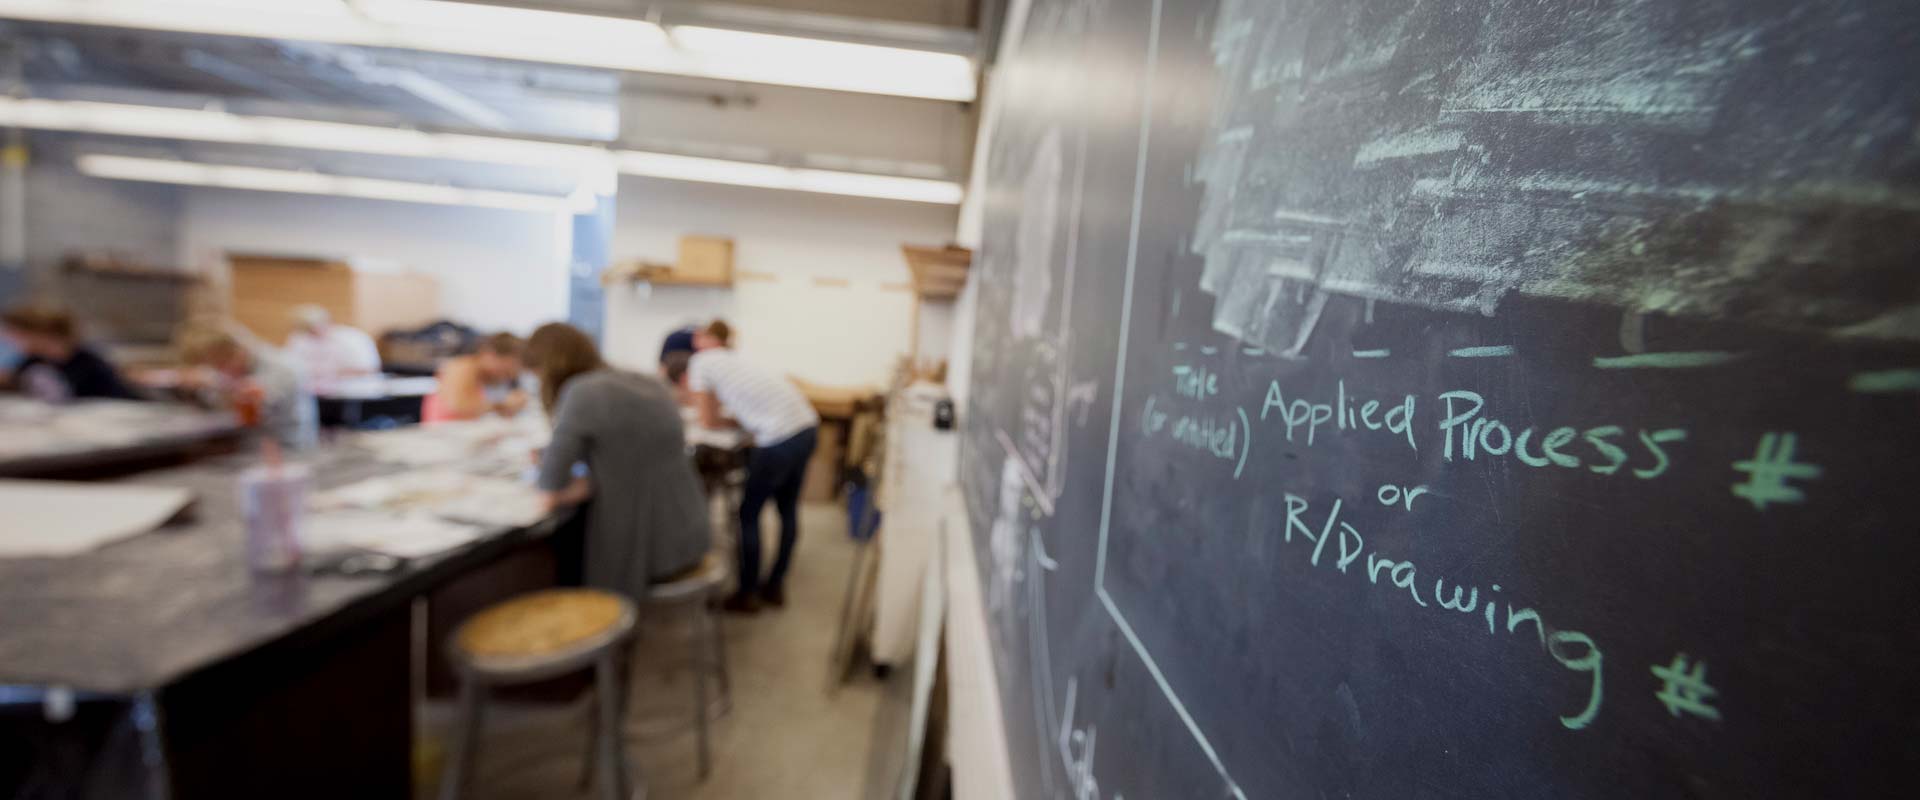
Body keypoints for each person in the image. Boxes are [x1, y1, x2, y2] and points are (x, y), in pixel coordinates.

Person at [526, 322, 710, 600]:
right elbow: (627, 459)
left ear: (547, 367)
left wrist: (566, 477)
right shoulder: (646, 381)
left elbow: (550, 485)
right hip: (690, 533)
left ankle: (583, 624)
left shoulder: (582, 392)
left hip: (649, 549)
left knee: (561, 549)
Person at [679, 320, 819, 612]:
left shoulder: (701, 362)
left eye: (700, 335)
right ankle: (774, 586)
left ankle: (747, 594)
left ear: (707, 340)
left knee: (748, 515)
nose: (696, 339)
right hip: (806, 426)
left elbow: (706, 420)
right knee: (787, 510)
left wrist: (727, 421)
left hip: (778, 437)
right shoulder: (735, 360)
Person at [175, 324, 318, 451]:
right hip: (252, 447)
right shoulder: (235, 370)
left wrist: (218, 386)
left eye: (222, 364)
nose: (221, 372)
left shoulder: (282, 368)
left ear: (238, 352)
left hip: (288, 449)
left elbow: (254, 409)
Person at [1, 306, 141, 401]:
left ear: (41, 334)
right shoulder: (34, 360)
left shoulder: (89, 364)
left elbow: (116, 400)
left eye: (17, 335)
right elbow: (11, 379)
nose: (11, 341)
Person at [424, 332, 527, 423]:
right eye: (505, 371)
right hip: (443, 431)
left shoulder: (487, 377)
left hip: (465, 430)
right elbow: (459, 406)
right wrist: (501, 404)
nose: (504, 377)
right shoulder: (462, 366)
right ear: (490, 354)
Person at [283, 305, 381, 389]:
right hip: (312, 390)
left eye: (313, 330)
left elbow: (369, 369)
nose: (311, 335)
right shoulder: (299, 339)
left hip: (350, 390)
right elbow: (289, 364)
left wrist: (330, 374)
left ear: (326, 322)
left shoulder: (352, 338)